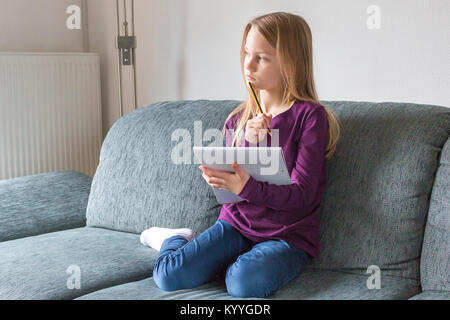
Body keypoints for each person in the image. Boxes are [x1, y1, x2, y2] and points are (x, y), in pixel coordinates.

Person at [140, 11, 341, 298]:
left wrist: (245, 185)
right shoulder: (238, 119)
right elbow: (233, 192)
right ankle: (174, 238)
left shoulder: (310, 117)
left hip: (286, 234)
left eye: (262, 57)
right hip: (236, 224)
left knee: (243, 283)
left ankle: (228, 264)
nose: (248, 64)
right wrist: (227, 173)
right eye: (247, 52)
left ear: (290, 64)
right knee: (168, 275)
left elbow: (303, 196)